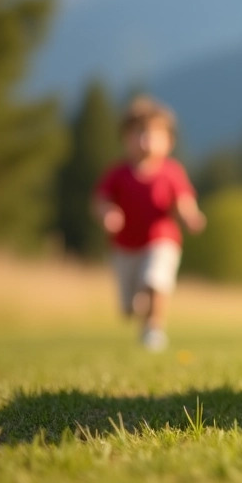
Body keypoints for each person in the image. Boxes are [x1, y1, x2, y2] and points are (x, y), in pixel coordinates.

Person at [93, 96, 205, 351]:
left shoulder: (171, 172)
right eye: (139, 134)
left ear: (169, 141)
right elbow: (100, 200)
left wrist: (191, 216)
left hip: (161, 240)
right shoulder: (118, 173)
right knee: (128, 308)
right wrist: (107, 213)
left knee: (156, 278)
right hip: (125, 247)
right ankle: (141, 314)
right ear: (126, 138)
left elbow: (184, 199)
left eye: (154, 135)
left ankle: (154, 328)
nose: (146, 142)